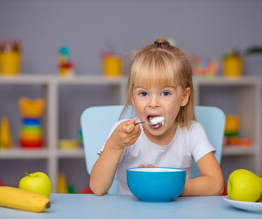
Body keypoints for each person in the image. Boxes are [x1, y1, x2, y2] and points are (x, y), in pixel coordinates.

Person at [90, 39, 224, 196]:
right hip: (128, 217)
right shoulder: (122, 134)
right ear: (132, 97)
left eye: (165, 93)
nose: (153, 103)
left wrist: (166, 187)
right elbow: (97, 188)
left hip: (178, 217)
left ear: (183, 97)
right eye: (143, 93)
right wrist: (114, 145)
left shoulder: (192, 131)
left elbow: (216, 185)